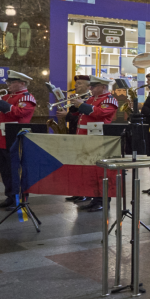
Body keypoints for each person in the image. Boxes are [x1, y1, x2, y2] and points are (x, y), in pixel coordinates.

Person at [0, 71, 36, 209]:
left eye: (11, 82)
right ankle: (10, 197)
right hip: (0, 138)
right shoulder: (6, 97)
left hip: (14, 138)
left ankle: (20, 199)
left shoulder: (26, 98)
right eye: (8, 82)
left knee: (16, 170)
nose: (8, 85)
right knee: (5, 171)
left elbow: (18, 113)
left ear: (22, 83)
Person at [73, 76, 119, 211]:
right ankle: (93, 198)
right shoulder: (92, 99)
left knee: (100, 172)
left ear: (103, 87)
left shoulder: (109, 100)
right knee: (90, 171)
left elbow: (100, 113)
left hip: (98, 140)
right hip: (86, 140)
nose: (90, 88)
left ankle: (102, 201)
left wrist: (82, 105)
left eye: (93, 86)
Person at [61, 75, 91, 203]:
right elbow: (74, 116)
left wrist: (67, 115)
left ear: (87, 86)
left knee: (84, 166)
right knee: (76, 166)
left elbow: (82, 118)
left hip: (84, 135)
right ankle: (78, 191)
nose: (76, 86)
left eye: (79, 84)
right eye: (76, 83)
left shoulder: (88, 100)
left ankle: (85, 193)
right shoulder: (78, 98)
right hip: (74, 132)